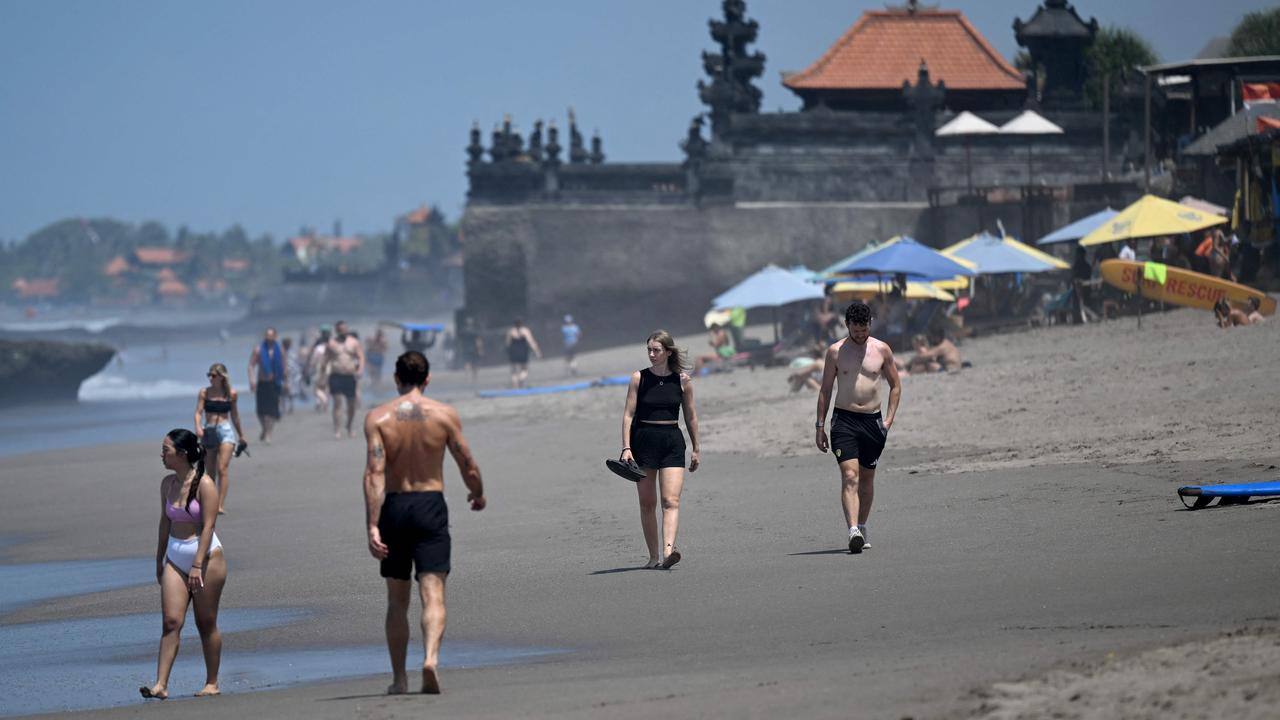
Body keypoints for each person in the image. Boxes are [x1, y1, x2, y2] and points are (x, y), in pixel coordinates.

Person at [362, 351, 485, 695]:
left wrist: (373, 524)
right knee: (433, 593)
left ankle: (400, 679)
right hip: (431, 505)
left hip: (396, 506)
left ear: (396, 379)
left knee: (397, 599)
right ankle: (430, 659)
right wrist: (477, 493)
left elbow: (373, 473)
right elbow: (468, 464)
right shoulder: (444, 415)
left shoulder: (378, 418)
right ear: (427, 379)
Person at [141, 429, 227, 701]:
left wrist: (197, 564)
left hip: (206, 558)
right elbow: (165, 521)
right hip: (175, 558)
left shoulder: (205, 484)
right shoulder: (167, 484)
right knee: (171, 621)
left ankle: (212, 682)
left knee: (206, 621)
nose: (161, 454)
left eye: (166, 449)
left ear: (182, 454)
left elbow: (209, 525)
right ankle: (161, 685)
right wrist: (159, 558)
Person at [815, 301, 902, 554]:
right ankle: (852, 530)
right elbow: (825, 390)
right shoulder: (835, 352)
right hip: (844, 420)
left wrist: (887, 421)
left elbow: (896, 385)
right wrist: (820, 426)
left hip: (872, 422)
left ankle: (862, 525)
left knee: (866, 478)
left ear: (869, 325)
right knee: (850, 476)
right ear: (847, 326)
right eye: (856, 331)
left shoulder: (882, 350)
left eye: (864, 330)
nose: (860, 335)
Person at [620, 331, 700, 569]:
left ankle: (668, 553)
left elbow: (691, 417)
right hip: (643, 440)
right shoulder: (639, 378)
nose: (652, 354)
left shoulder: (683, 381)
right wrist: (626, 447)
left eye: (656, 350)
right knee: (647, 502)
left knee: (671, 500)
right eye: (649, 350)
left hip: (672, 441)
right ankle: (653, 557)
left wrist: (697, 448)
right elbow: (628, 415)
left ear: (668, 352)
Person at [195, 363, 245, 514]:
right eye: (208, 375)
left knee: (222, 467)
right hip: (209, 430)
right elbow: (198, 412)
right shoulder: (204, 392)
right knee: (210, 472)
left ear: (222, 377)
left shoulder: (231, 394)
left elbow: (235, 416)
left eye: (214, 375)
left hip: (225, 431)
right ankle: (211, 502)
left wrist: (241, 435)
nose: (210, 378)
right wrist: (198, 426)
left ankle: (220, 505)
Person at [327, 320, 366, 439]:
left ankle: (349, 425)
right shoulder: (331, 343)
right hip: (336, 375)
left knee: (351, 405)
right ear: (336, 331)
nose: (342, 332)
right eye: (340, 330)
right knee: (337, 402)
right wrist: (323, 376)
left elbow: (361, 357)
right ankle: (337, 430)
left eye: (344, 329)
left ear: (347, 330)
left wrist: (360, 370)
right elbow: (326, 359)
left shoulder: (354, 342)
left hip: (349, 376)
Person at [247, 327, 286, 444]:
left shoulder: (280, 350)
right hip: (262, 383)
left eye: (271, 335)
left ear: (275, 336)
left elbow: (284, 367)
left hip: (275, 383)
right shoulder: (258, 350)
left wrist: (287, 382)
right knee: (260, 411)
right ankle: (264, 428)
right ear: (265, 336)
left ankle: (269, 434)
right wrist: (252, 381)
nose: (269, 338)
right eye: (267, 335)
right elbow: (251, 366)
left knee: (272, 411)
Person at [504, 318, 542, 389]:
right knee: (524, 369)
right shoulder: (525, 331)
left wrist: (508, 353)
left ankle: (515, 386)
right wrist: (537, 352)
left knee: (514, 370)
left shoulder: (511, 331)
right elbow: (531, 342)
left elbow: (507, 344)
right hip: (523, 351)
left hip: (513, 351)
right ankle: (521, 379)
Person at [456, 317, 484, 385]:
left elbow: (459, 341)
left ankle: (467, 378)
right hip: (474, 349)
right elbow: (478, 340)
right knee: (475, 363)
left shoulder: (463, 331)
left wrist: (460, 349)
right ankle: (474, 378)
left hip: (465, 349)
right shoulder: (475, 331)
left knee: (466, 363)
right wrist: (480, 349)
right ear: (472, 323)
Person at [280, 338, 300, 415]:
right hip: (291, 374)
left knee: (283, 393)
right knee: (289, 392)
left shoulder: (282, 352)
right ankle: (290, 407)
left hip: (287, 374)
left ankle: (285, 408)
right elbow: (296, 364)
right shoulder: (292, 353)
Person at [366, 328, 389, 393]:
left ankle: (378, 384)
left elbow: (385, 349)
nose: (379, 336)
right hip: (372, 356)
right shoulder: (371, 339)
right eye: (378, 335)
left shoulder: (383, 341)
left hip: (379, 357)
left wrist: (382, 343)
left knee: (378, 372)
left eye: (380, 335)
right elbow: (367, 342)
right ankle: (373, 383)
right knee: (371, 371)